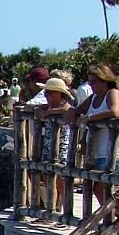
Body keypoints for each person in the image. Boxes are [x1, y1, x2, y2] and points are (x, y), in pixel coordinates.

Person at [71, 64, 119, 208]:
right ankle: (111, 221)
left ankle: (117, 220)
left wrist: (90, 118)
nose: (91, 86)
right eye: (89, 82)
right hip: (98, 152)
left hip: (113, 152)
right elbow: (79, 109)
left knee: (102, 188)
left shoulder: (113, 93)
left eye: (94, 82)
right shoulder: (93, 97)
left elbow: (115, 111)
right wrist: (71, 111)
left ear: (105, 80)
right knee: (98, 188)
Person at [34, 77, 77, 210]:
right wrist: (39, 108)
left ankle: (64, 210)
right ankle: (52, 208)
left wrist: (49, 112)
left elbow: (68, 109)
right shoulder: (49, 106)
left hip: (62, 147)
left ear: (59, 93)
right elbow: (30, 106)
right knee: (48, 177)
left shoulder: (63, 106)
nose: (46, 96)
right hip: (49, 146)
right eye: (46, 93)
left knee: (61, 180)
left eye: (49, 93)